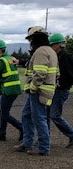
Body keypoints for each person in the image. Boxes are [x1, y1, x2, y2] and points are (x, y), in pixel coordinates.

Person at [15, 27, 58, 156]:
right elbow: (57, 73)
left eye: (31, 39)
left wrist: (33, 87)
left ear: (36, 38)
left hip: (38, 90)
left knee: (39, 118)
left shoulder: (40, 52)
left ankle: (44, 148)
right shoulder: (50, 51)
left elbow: (40, 73)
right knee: (26, 115)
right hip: (40, 90)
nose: (30, 42)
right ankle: (27, 143)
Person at [48, 33, 73, 148]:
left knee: (54, 115)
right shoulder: (58, 56)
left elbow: (69, 75)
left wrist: (61, 84)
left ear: (58, 45)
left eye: (52, 45)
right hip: (57, 89)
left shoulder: (64, 57)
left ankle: (71, 135)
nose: (51, 47)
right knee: (49, 114)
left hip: (61, 90)